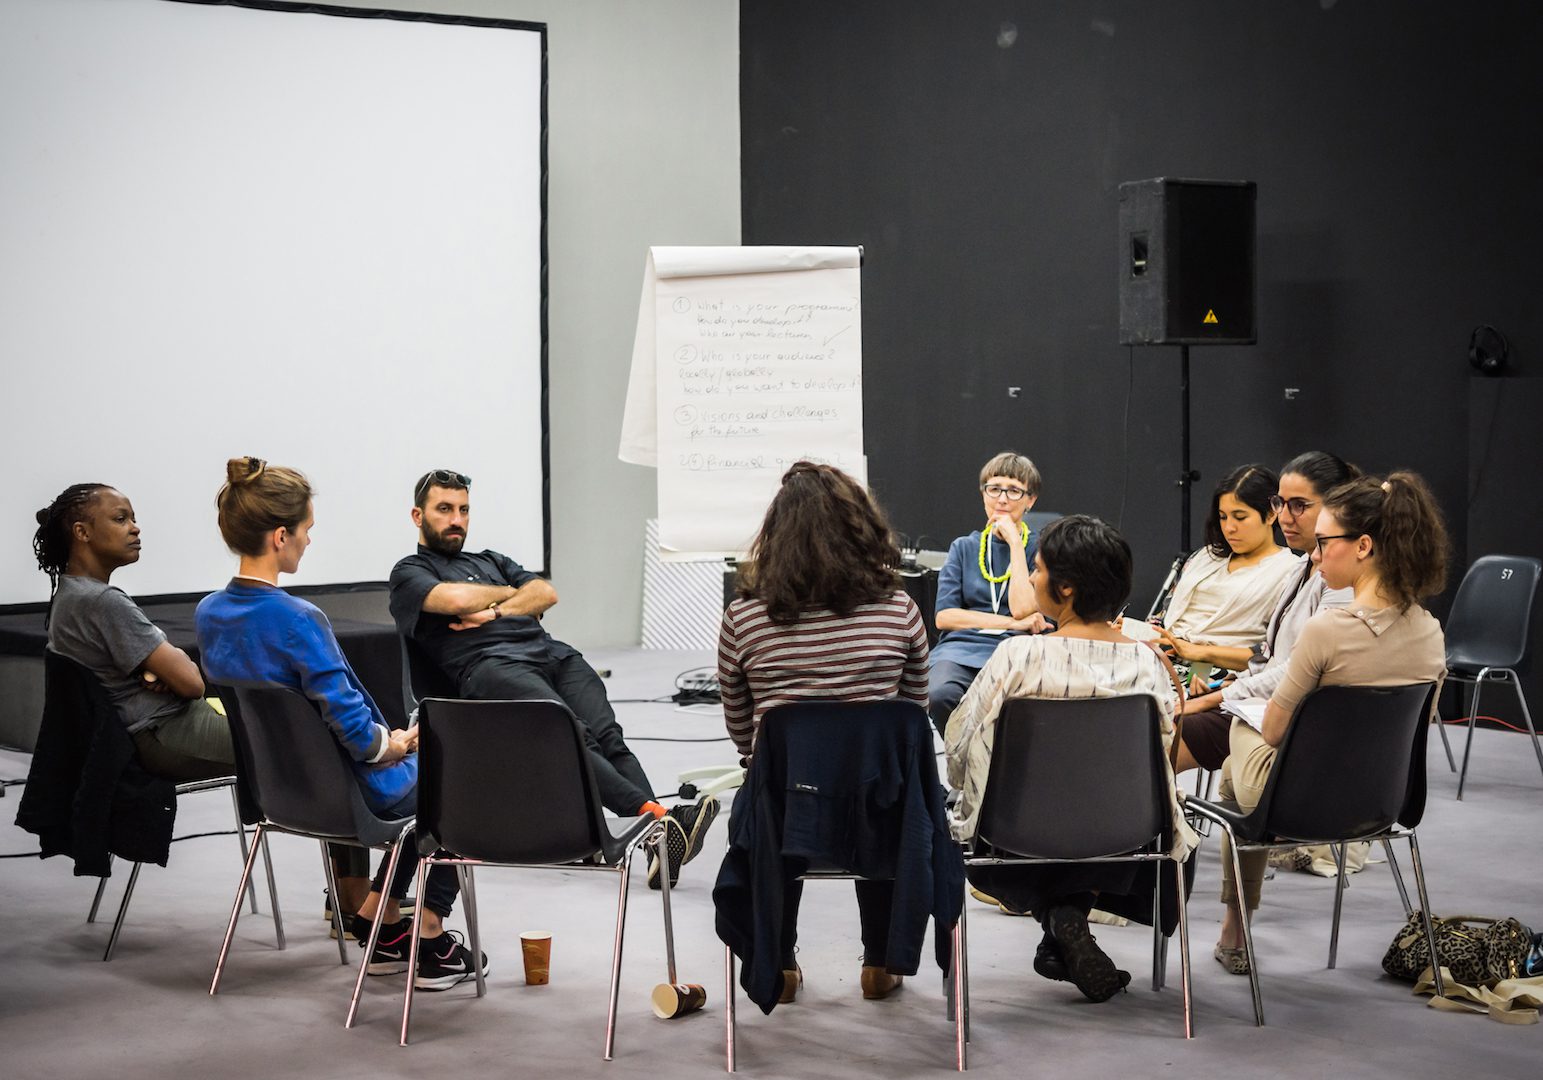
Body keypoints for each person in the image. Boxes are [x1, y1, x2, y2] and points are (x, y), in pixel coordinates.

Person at [196, 457, 486, 991]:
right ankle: (427, 935)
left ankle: (384, 922)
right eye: (306, 530)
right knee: (464, 776)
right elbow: (355, 733)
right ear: (280, 536)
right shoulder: (299, 619)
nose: (309, 540)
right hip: (349, 795)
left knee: (437, 776)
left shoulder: (209, 613)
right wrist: (394, 745)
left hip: (280, 794)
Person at [388, 468, 717, 889]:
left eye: (464, 510)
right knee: (573, 736)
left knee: (608, 737)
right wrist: (513, 593)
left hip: (552, 655)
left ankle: (660, 842)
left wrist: (494, 610)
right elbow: (454, 598)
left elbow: (546, 592)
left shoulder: (490, 560)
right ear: (418, 516)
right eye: (444, 509)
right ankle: (660, 821)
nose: (456, 520)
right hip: (491, 669)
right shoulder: (410, 572)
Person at [945, 515, 1198, 1003]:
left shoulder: (1017, 656)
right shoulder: (1149, 664)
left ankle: (1057, 917)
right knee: (1098, 816)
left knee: (976, 814)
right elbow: (1162, 760)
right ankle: (1065, 919)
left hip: (1015, 834)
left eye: (1037, 569)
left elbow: (960, 748)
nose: (1032, 578)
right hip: (1125, 836)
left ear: (1064, 589)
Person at [1210, 472, 1449, 975]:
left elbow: (1274, 733)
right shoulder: (1431, 631)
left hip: (1298, 805)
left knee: (1238, 736)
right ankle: (1234, 928)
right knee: (1235, 772)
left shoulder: (1326, 630)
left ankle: (1236, 926)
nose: (1315, 557)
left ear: (1363, 546)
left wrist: (1228, 702)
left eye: (1324, 543)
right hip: (1383, 803)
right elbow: (1416, 730)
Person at [717, 461, 932, 1002]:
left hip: (787, 817)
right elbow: (912, 719)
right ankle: (880, 961)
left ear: (775, 537)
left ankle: (781, 966)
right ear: (862, 529)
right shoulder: (900, 610)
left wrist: (797, 757)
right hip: (879, 814)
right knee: (888, 786)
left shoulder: (744, 618)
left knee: (774, 789)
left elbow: (742, 731)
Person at [33, 483, 235, 782]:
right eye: (120, 519)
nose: (135, 528)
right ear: (82, 532)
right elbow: (193, 685)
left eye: (133, 519)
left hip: (150, 729)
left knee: (275, 728)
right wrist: (170, 670)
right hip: (167, 732)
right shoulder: (103, 601)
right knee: (293, 739)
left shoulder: (70, 596)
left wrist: (161, 673)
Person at [1174, 452, 1360, 774]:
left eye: (1299, 506)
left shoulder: (1339, 580)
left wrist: (1214, 695)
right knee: (1145, 724)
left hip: (1284, 718)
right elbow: (1269, 656)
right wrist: (1226, 684)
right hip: (1253, 699)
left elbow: (1297, 669)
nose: (1285, 517)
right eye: (1280, 503)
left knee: (1156, 738)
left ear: (1336, 506)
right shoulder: (1302, 566)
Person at [1124, 464, 1300, 681]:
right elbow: (1162, 619)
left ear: (1272, 514)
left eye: (1240, 517)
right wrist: (1132, 631)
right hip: (1162, 659)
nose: (1229, 527)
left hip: (1218, 671)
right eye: (1223, 517)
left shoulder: (1289, 571)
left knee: (1168, 695)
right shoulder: (1205, 557)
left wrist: (1200, 653)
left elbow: (1275, 655)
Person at [926, 452, 1048, 732]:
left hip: (1017, 650)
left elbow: (1023, 608)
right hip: (961, 650)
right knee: (939, 694)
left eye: (1014, 491)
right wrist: (1012, 623)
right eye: (994, 489)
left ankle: (998, 758)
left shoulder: (1041, 549)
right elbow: (945, 617)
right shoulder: (963, 547)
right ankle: (967, 755)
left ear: (1030, 500)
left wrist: (1015, 543)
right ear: (983, 494)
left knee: (1014, 707)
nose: (1002, 499)